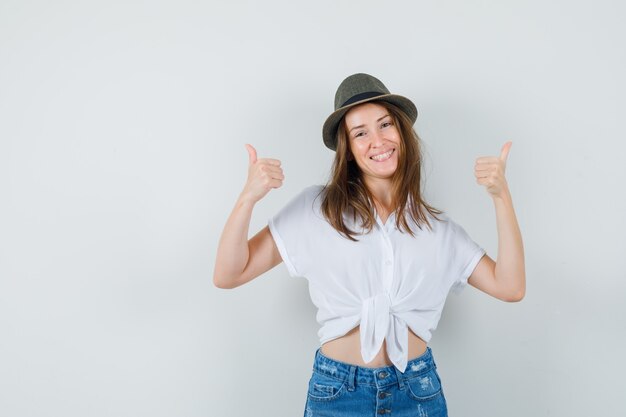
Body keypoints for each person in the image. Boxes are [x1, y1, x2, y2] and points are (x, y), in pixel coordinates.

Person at [213, 73, 525, 417]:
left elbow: (510, 286)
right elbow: (229, 274)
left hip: (417, 394)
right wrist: (248, 198)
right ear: (348, 150)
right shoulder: (315, 210)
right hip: (337, 394)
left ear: (402, 134)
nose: (377, 141)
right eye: (360, 133)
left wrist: (501, 198)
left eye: (385, 125)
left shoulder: (437, 228)